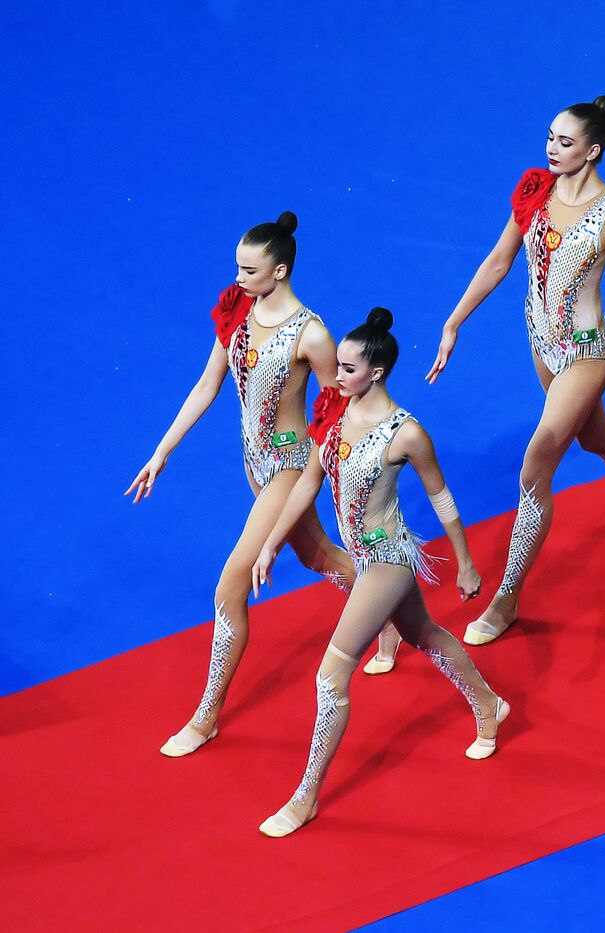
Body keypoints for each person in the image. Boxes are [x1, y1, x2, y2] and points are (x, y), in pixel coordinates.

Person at [126, 212, 403, 761]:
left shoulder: (312, 334)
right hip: (253, 463)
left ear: (278, 270)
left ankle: (207, 716)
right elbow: (208, 385)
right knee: (316, 553)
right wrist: (161, 453)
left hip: (291, 467)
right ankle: (388, 616)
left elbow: (337, 409)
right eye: (236, 267)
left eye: (248, 270)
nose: (237, 278)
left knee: (230, 585)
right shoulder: (237, 314)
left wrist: (354, 478)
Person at [427, 95, 605, 646]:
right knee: (598, 439)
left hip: (587, 352)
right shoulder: (535, 192)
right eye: (549, 137)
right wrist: (454, 323)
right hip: (542, 344)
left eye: (565, 143)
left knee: (536, 460)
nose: (551, 148)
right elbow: (499, 260)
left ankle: (507, 598)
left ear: (593, 150)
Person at [252, 307, 507, 837]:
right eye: (338, 368)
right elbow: (307, 486)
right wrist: (272, 544)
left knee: (330, 674)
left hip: (389, 560)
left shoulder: (406, 433)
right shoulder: (334, 415)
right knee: (425, 634)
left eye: (347, 369)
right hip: (365, 560)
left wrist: (464, 562)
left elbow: (442, 499)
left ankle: (306, 797)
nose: (335, 376)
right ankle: (489, 703)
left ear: (378, 372)